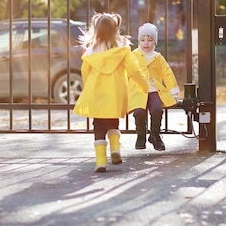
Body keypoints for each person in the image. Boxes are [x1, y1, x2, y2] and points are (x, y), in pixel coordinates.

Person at [74, 12, 149, 172]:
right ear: (115, 29)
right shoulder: (122, 50)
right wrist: (144, 86)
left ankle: (101, 161)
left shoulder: (90, 53)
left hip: (96, 93)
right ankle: (115, 149)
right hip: (115, 93)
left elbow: (85, 74)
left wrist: (89, 89)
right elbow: (134, 70)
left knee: (98, 125)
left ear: (96, 30)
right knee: (113, 122)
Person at [128, 22, 180, 151]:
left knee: (157, 110)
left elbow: (167, 73)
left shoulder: (158, 57)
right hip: (138, 90)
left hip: (154, 91)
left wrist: (173, 91)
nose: (146, 43)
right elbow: (126, 73)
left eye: (150, 40)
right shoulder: (133, 56)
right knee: (139, 112)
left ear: (155, 42)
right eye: (143, 40)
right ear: (139, 41)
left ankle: (155, 135)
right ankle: (141, 135)